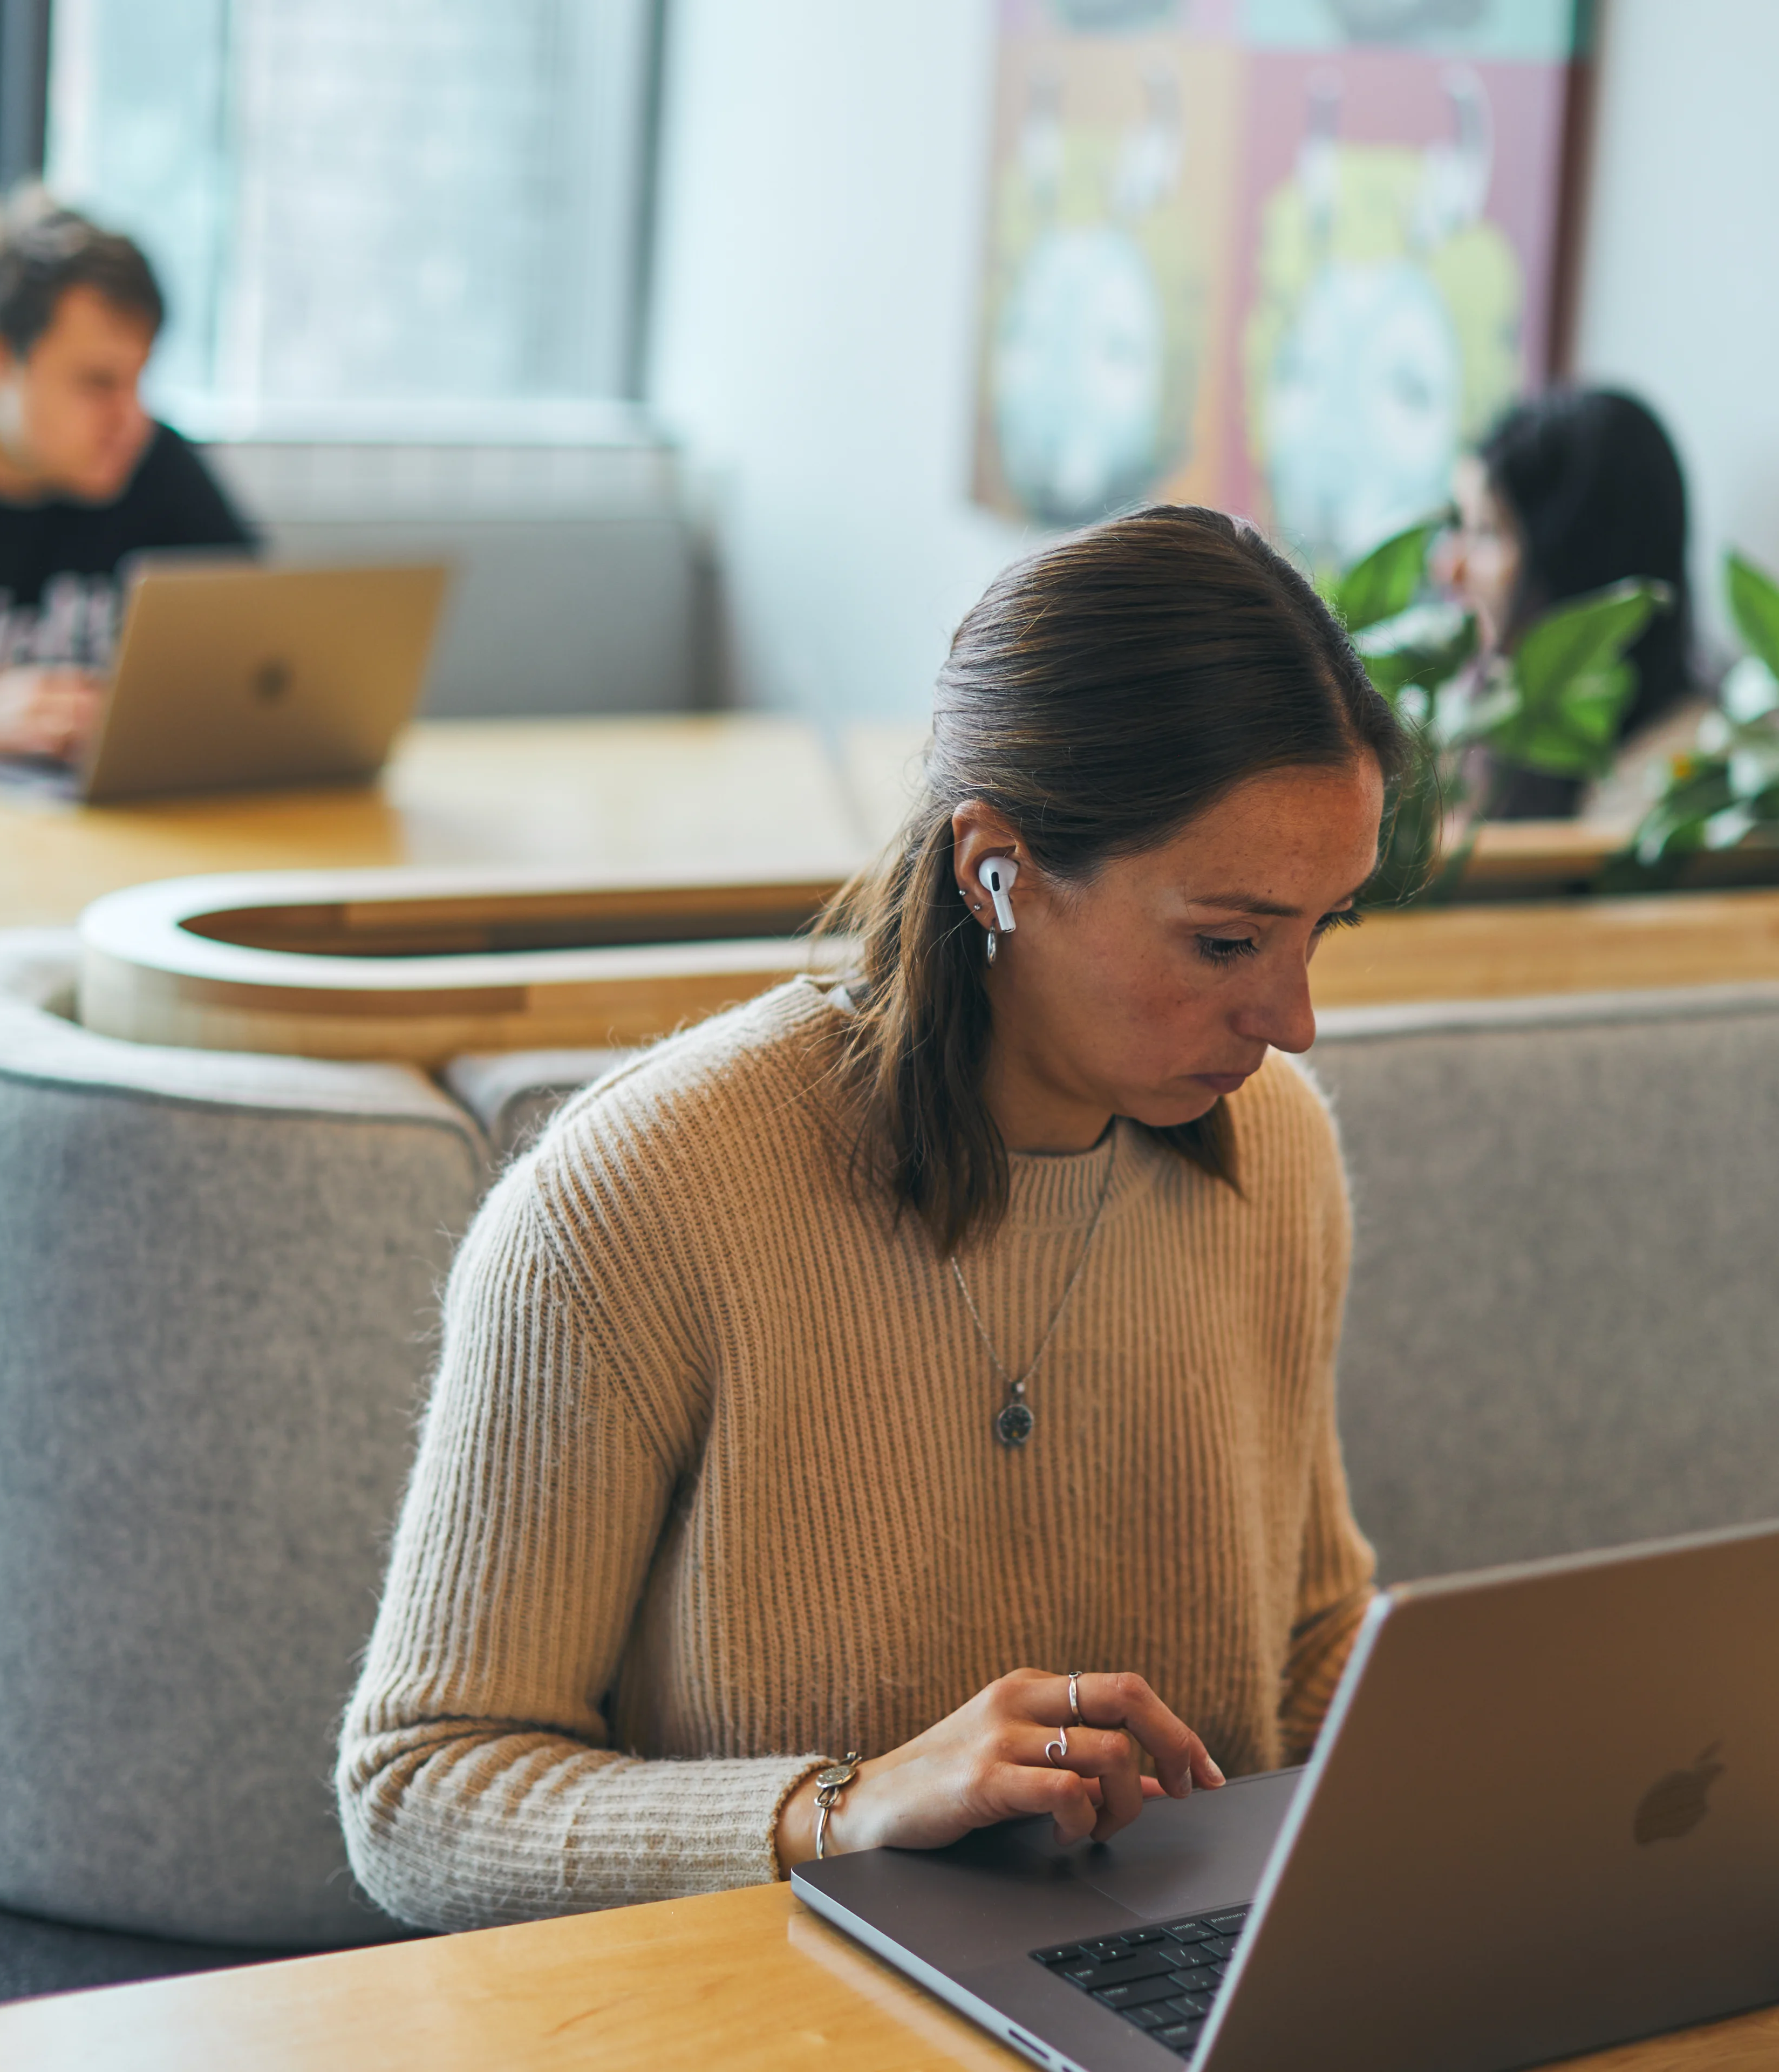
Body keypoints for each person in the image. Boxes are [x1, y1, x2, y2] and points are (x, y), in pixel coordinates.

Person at [337, 505, 1405, 1930]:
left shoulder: (1275, 1154)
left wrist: (1513, 1741)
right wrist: (842, 1808)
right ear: (996, 870)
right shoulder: (639, 1201)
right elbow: (418, 1791)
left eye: (1323, 928)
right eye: (1227, 942)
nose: (1295, 1022)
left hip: (1174, 1993)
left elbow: (1304, 1640)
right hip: (766, 2011)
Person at [0, 187, 253, 764]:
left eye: (140, 380)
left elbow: (264, 643)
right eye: (98, 383)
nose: (131, 420)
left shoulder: (154, 463)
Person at [1431, 387, 1695, 819]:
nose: (1449, 567)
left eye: (1486, 534)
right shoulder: (1457, 720)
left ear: (1575, 567)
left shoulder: (1669, 772)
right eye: (1458, 527)